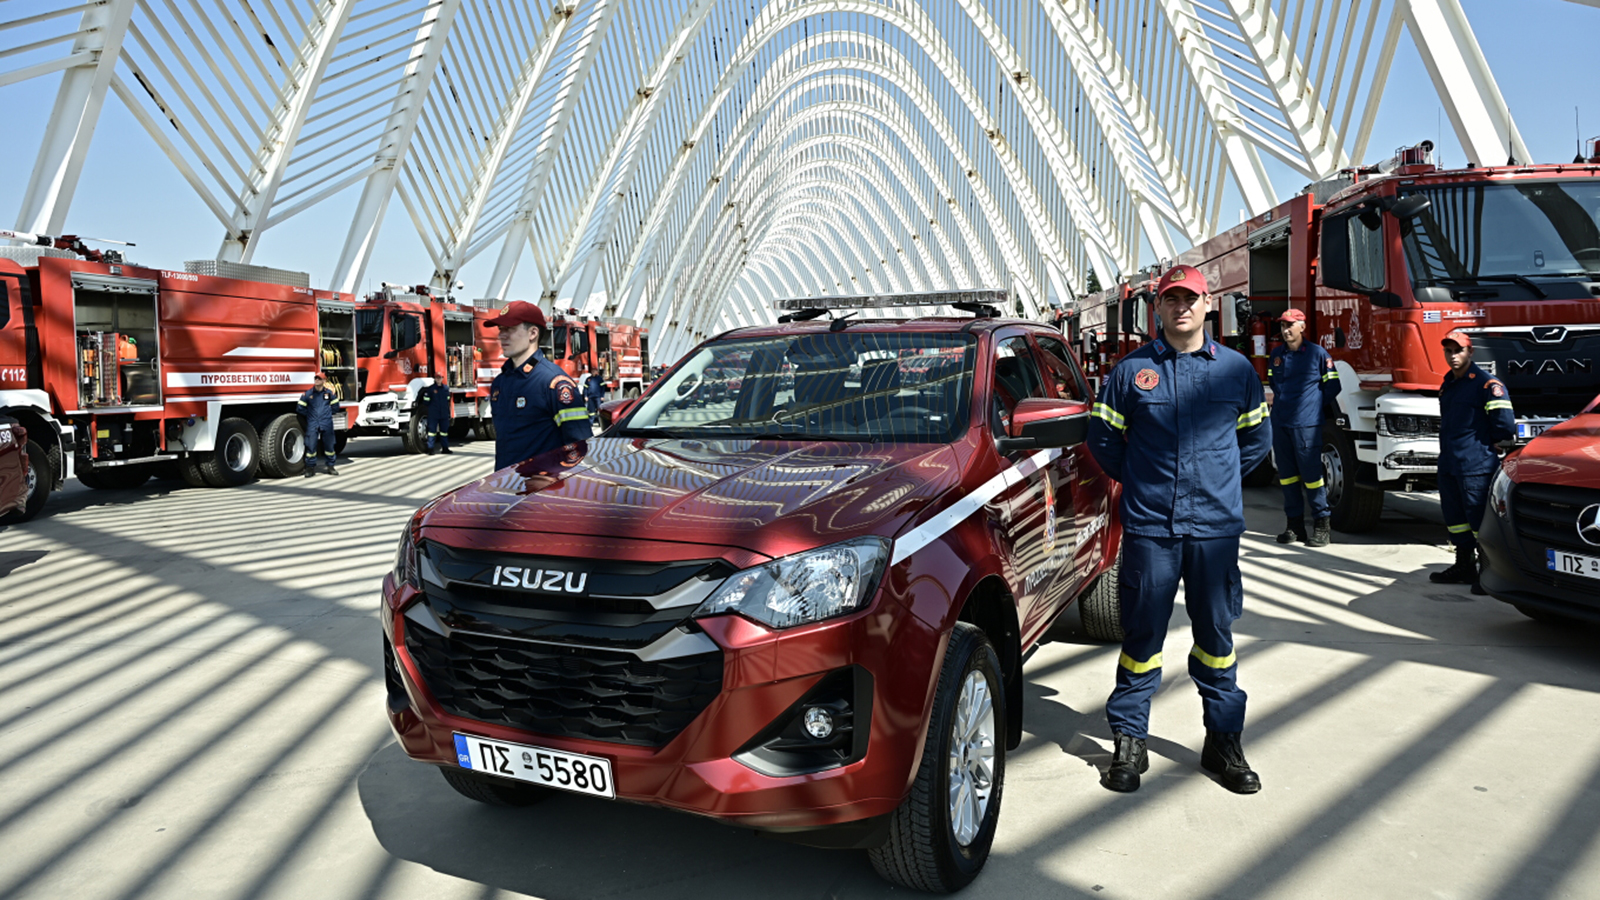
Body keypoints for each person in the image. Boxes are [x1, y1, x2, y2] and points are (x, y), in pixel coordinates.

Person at [1088, 264, 1272, 795]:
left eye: (1190, 297)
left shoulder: (1236, 372)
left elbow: (1256, 441)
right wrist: (1144, 480)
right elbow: (1104, 442)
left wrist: (1220, 480)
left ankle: (1223, 741)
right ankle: (1129, 739)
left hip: (1214, 529)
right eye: (1171, 298)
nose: (1181, 307)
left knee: (1216, 636)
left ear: (1208, 304)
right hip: (1151, 528)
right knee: (1142, 635)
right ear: (1158, 308)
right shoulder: (1131, 372)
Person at [1430, 330, 1515, 592]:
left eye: (1459, 350)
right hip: (1450, 462)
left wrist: (1492, 443)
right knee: (1455, 518)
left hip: (1475, 464)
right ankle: (1463, 565)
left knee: (1479, 522)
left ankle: (1487, 572)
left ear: (1471, 352)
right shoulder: (1448, 384)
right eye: (1449, 351)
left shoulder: (1486, 385)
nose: (1453, 356)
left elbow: (1504, 424)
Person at [484, 300, 592, 470]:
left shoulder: (554, 383)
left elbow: (580, 446)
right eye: (500, 329)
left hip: (541, 490)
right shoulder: (500, 383)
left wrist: (551, 479)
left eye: (509, 329)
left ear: (533, 333)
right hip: (506, 487)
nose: (501, 335)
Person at [1266, 308, 1341, 546]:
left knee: (1312, 477)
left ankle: (1322, 525)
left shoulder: (1317, 354)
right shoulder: (1276, 355)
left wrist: (1313, 405)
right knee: (1286, 477)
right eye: (1282, 326)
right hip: (1281, 423)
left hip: (1306, 424)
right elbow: (1274, 384)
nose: (1285, 330)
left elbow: (1333, 386)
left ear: (1302, 326)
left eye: (1290, 325)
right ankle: (1295, 527)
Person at [298, 372, 341, 476]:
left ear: (324, 381)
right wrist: (309, 415)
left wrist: (328, 414)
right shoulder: (308, 394)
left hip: (326, 423)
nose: (317, 380)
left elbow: (336, 406)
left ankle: (330, 466)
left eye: (319, 379)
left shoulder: (329, 393)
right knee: (311, 446)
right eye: (316, 378)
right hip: (313, 423)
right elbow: (300, 408)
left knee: (329, 446)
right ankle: (310, 468)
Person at [416, 377, 454, 454]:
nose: (438, 379)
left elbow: (448, 400)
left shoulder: (446, 388)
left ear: (442, 378)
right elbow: (425, 402)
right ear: (435, 379)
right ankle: (430, 449)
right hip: (434, 414)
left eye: (440, 378)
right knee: (432, 432)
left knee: (444, 432)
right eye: (437, 378)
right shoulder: (430, 389)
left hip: (444, 414)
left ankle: (445, 448)